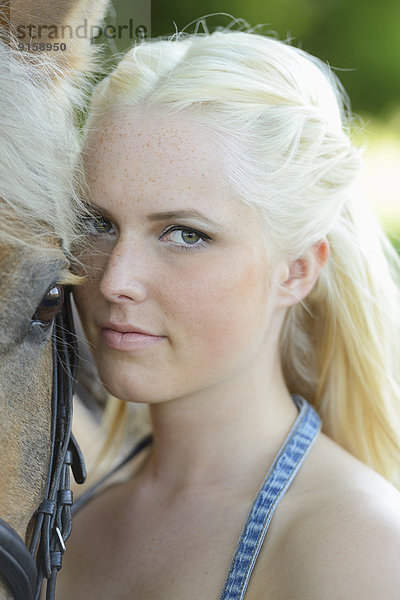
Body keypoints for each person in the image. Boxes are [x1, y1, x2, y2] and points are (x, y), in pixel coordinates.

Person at [58, 27, 400, 599]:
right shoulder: (66, 510)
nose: (115, 280)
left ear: (296, 271)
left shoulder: (355, 547)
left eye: (185, 234)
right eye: (98, 224)